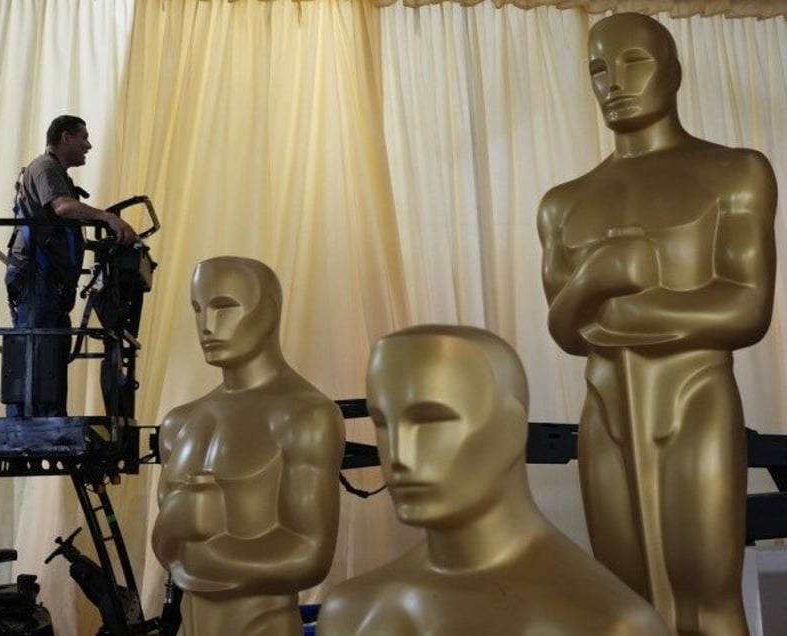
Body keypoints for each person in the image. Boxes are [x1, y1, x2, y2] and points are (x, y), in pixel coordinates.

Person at [537, 13, 777, 635]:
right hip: (608, 408)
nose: (613, 82)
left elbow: (747, 307)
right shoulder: (564, 202)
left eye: (633, 62)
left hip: (693, 398)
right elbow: (563, 329)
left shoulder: (736, 171)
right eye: (597, 69)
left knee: (707, 593)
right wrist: (593, 281)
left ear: (673, 71)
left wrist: (626, 309)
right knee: (625, 597)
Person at [317, 325, 669, 636]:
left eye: (432, 422)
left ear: (512, 426)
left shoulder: (608, 624)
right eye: (381, 423)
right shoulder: (350, 612)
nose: (399, 456)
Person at [151, 256, 346, 636]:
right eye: (197, 309)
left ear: (269, 313)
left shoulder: (306, 416)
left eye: (224, 308)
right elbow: (166, 546)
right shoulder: (178, 424)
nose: (207, 326)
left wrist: (205, 554)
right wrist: (177, 525)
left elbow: (310, 554)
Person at [4, 115, 137, 417]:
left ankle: (48, 417)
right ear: (65, 137)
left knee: (51, 352)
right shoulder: (45, 167)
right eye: (83, 137)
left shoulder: (56, 173)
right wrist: (108, 218)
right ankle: (29, 421)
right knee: (38, 349)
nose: (88, 145)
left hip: (50, 281)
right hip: (36, 277)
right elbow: (63, 207)